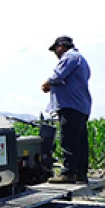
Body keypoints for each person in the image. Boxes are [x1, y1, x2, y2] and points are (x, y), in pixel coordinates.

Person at [41, 35, 92, 183]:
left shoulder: (69, 57)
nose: (56, 54)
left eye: (56, 50)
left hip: (70, 105)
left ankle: (68, 173)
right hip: (81, 106)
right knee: (80, 141)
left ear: (61, 47)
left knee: (68, 140)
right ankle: (80, 173)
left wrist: (47, 84)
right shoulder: (81, 59)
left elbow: (57, 76)